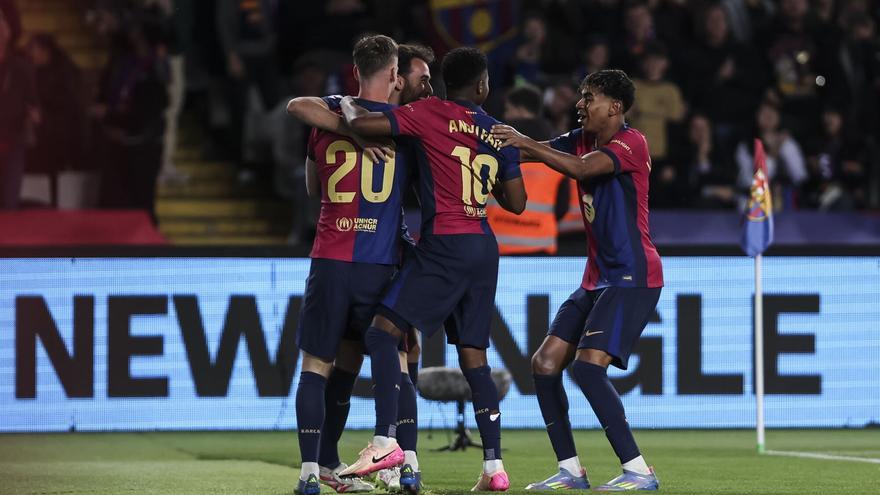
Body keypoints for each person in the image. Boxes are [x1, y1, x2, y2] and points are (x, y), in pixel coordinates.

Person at [338, 46, 527, 491]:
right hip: (484, 246)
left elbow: (362, 124)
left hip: (444, 243)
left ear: (443, 82)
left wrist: (346, 102)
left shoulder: (427, 113)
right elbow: (517, 204)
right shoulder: (496, 130)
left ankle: (386, 440)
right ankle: (493, 468)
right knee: (474, 357)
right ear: (482, 86)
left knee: (381, 332)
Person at [491, 69, 663, 491]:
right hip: (596, 279)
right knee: (545, 365)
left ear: (615, 107)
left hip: (633, 276)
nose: (580, 104)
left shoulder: (631, 142)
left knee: (588, 370)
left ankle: (639, 470)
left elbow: (581, 168)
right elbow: (538, 154)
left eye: (590, 97)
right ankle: (571, 470)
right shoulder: (581, 138)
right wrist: (481, 140)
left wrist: (522, 139)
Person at [287, 42, 436, 495]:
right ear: (394, 73)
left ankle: (313, 472)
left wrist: (347, 134)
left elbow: (314, 187)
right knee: (398, 357)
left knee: (319, 365)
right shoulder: (402, 128)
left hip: (330, 261)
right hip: (380, 264)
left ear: (355, 70)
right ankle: (405, 464)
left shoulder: (326, 115)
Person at [488, 85, 567, 255]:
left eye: (508, 109)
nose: (505, 115)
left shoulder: (494, 144)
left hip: (496, 245)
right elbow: (562, 206)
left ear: (521, 110)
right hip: (540, 247)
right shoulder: (555, 149)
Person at [0, 8, 38, 209]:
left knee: (8, 204)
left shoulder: (21, 67)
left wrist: (32, 116)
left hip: (12, 141)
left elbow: (33, 103)